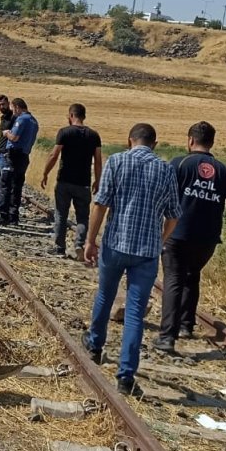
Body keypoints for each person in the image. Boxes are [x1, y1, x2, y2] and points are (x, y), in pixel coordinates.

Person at [82, 123, 181, 395]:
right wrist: (160, 240)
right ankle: (126, 377)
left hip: (115, 243)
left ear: (129, 140)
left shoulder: (116, 162)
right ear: (155, 144)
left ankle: (94, 345)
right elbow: (174, 215)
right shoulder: (165, 170)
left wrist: (91, 240)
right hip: (146, 252)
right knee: (135, 313)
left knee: (105, 294)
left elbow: (100, 203)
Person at [153, 122, 226, 354]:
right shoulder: (224, 171)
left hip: (177, 234)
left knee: (173, 279)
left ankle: (167, 336)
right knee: (192, 276)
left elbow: (161, 195)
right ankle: (186, 325)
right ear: (212, 143)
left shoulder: (179, 163)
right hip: (207, 239)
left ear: (190, 140)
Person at [40, 104, 103, 257]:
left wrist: (45, 173)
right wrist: (98, 180)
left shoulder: (64, 132)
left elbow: (54, 155)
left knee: (61, 213)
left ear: (71, 115)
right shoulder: (94, 135)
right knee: (83, 216)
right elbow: (98, 160)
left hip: (64, 181)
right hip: (83, 183)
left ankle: (59, 248)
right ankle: (79, 245)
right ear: (84, 116)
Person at [0, 97, 38, 225]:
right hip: (24, 156)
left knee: (5, 185)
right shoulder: (34, 121)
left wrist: (6, 133)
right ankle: (14, 217)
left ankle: (3, 215)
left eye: (13, 108)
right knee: (17, 186)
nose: (12, 111)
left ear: (18, 107)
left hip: (13, 156)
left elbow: (14, 137)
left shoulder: (22, 119)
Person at [0, 94, 15, 218]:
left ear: (8, 103)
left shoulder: (13, 118)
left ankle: (1, 207)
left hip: (6, 153)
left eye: (3, 104)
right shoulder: (3, 118)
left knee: (3, 182)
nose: (1, 107)